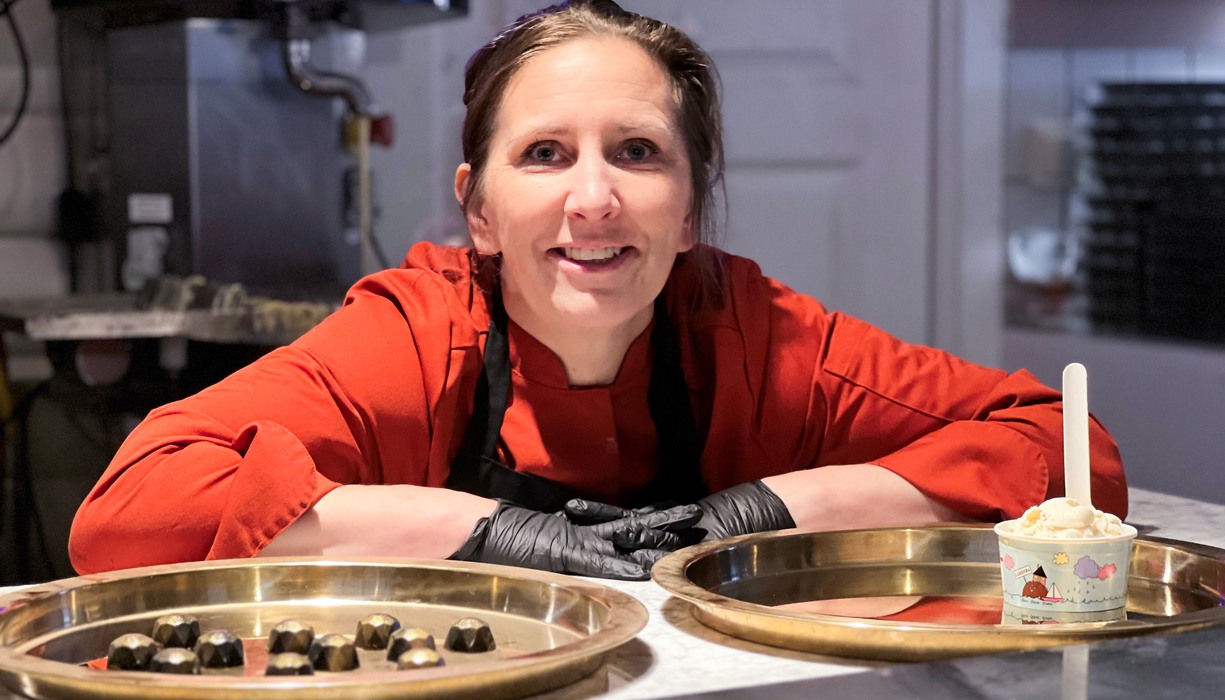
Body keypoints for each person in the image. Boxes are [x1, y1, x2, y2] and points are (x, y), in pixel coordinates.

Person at [68, 0, 1127, 581]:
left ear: (692, 201)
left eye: (635, 151)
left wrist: (770, 510)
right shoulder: (412, 335)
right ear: (476, 210)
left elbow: (1062, 448)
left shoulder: (755, 335)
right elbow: (125, 515)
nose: (593, 200)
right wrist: (479, 532)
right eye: (541, 154)